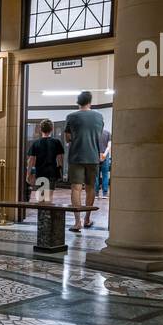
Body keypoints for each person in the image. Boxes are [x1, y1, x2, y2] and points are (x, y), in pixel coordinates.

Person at [62, 90, 104, 232]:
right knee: (91, 187)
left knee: (76, 188)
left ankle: (77, 222)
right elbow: (99, 134)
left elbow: (67, 138)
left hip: (76, 156)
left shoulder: (71, 117)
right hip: (93, 156)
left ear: (77, 102)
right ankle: (87, 219)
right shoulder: (99, 116)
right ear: (90, 102)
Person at [25, 119, 64, 199]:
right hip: (52, 173)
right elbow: (60, 159)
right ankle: (48, 210)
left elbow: (31, 161)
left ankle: (41, 211)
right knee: (49, 196)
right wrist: (60, 171)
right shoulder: (57, 142)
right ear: (52, 129)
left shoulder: (36, 143)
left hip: (40, 172)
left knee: (40, 197)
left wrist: (28, 174)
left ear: (40, 129)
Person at [96, 127, 112, 199]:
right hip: (105, 156)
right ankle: (104, 194)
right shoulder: (108, 133)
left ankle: (96, 194)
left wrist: (98, 155)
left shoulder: (94, 133)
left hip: (95, 156)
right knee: (105, 175)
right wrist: (104, 155)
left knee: (96, 176)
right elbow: (109, 146)